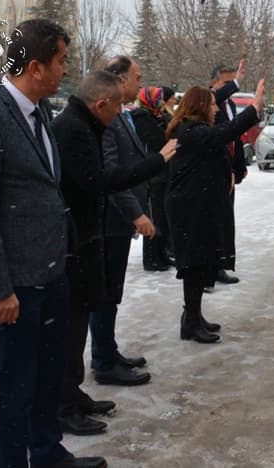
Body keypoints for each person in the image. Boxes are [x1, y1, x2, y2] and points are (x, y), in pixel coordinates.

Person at [0, 19, 106, 468]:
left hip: (49, 274)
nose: (66, 70)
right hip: (12, 286)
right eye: (61, 61)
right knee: (14, 384)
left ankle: (47, 453)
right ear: (36, 67)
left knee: (46, 377)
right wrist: (1, 290)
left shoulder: (41, 112)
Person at [52, 72, 177, 435]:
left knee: (81, 320)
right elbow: (100, 180)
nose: (123, 110)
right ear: (101, 103)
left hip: (87, 236)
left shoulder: (83, 123)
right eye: (119, 103)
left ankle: (72, 394)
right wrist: (158, 161)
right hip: (79, 239)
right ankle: (65, 405)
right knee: (73, 328)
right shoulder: (75, 128)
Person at [166, 80, 265, 343]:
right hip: (190, 210)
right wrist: (253, 109)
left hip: (200, 206)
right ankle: (190, 321)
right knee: (194, 264)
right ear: (199, 107)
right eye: (211, 104)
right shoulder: (190, 131)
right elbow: (223, 134)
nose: (215, 109)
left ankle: (194, 316)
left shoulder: (196, 129)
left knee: (201, 262)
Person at [87, 55, 156, 386]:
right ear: (119, 81)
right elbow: (110, 175)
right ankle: (102, 360)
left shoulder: (123, 117)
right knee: (104, 293)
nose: (140, 84)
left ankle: (108, 350)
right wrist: (135, 213)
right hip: (108, 222)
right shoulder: (107, 120)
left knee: (112, 292)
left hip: (117, 224)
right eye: (136, 77)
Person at [210, 61, 248, 286]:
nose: (230, 88)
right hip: (212, 175)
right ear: (214, 84)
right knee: (213, 223)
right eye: (225, 83)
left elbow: (236, 137)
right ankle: (209, 270)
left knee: (226, 221)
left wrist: (238, 167)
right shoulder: (206, 103)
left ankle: (222, 265)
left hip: (228, 173)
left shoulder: (230, 105)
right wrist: (236, 82)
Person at [132, 87, 174, 272]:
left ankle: (162, 253)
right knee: (154, 215)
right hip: (153, 174)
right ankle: (152, 258)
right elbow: (158, 141)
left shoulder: (158, 116)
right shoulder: (142, 118)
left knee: (163, 216)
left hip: (162, 172)